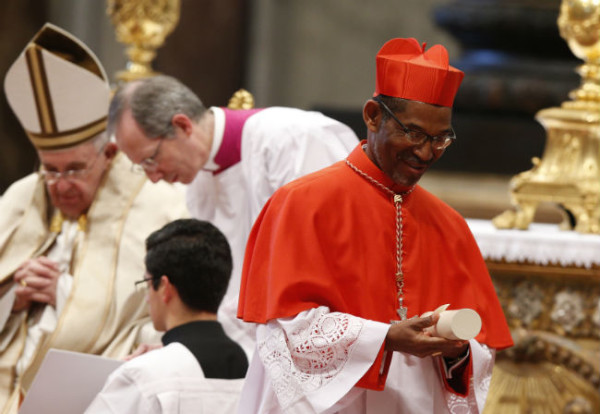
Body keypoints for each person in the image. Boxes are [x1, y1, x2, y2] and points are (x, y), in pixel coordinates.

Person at [236, 37, 514, 413]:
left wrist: (457, 349)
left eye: (440, 139)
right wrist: (384, 338)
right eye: (413, 133)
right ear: (372, 115)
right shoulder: (302, 203)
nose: (426, 152)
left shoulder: (449, 225)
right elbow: (286, 330)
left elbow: (479, 348)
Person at [0, 24, 188, 413]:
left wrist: (67, 295)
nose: (59, 185)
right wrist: (12, 300)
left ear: (109, 154)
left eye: (74, 169)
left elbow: (166, 321)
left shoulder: (159, 206)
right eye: (50, 170)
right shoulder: (23, 197)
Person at [108, 75, 359, 357]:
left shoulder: (293, 141)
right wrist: (189, 349)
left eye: (150, 160)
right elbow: (228, 297)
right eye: (140, 167)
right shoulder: (197, 185)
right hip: (261, 350)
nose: (153, 178)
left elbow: (317, 274)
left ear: (182, 125)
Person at [86, 219, 247, 413]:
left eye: (146, 283)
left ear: (164, 287)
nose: (147, 298)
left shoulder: (142, 376)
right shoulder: (260, 368)